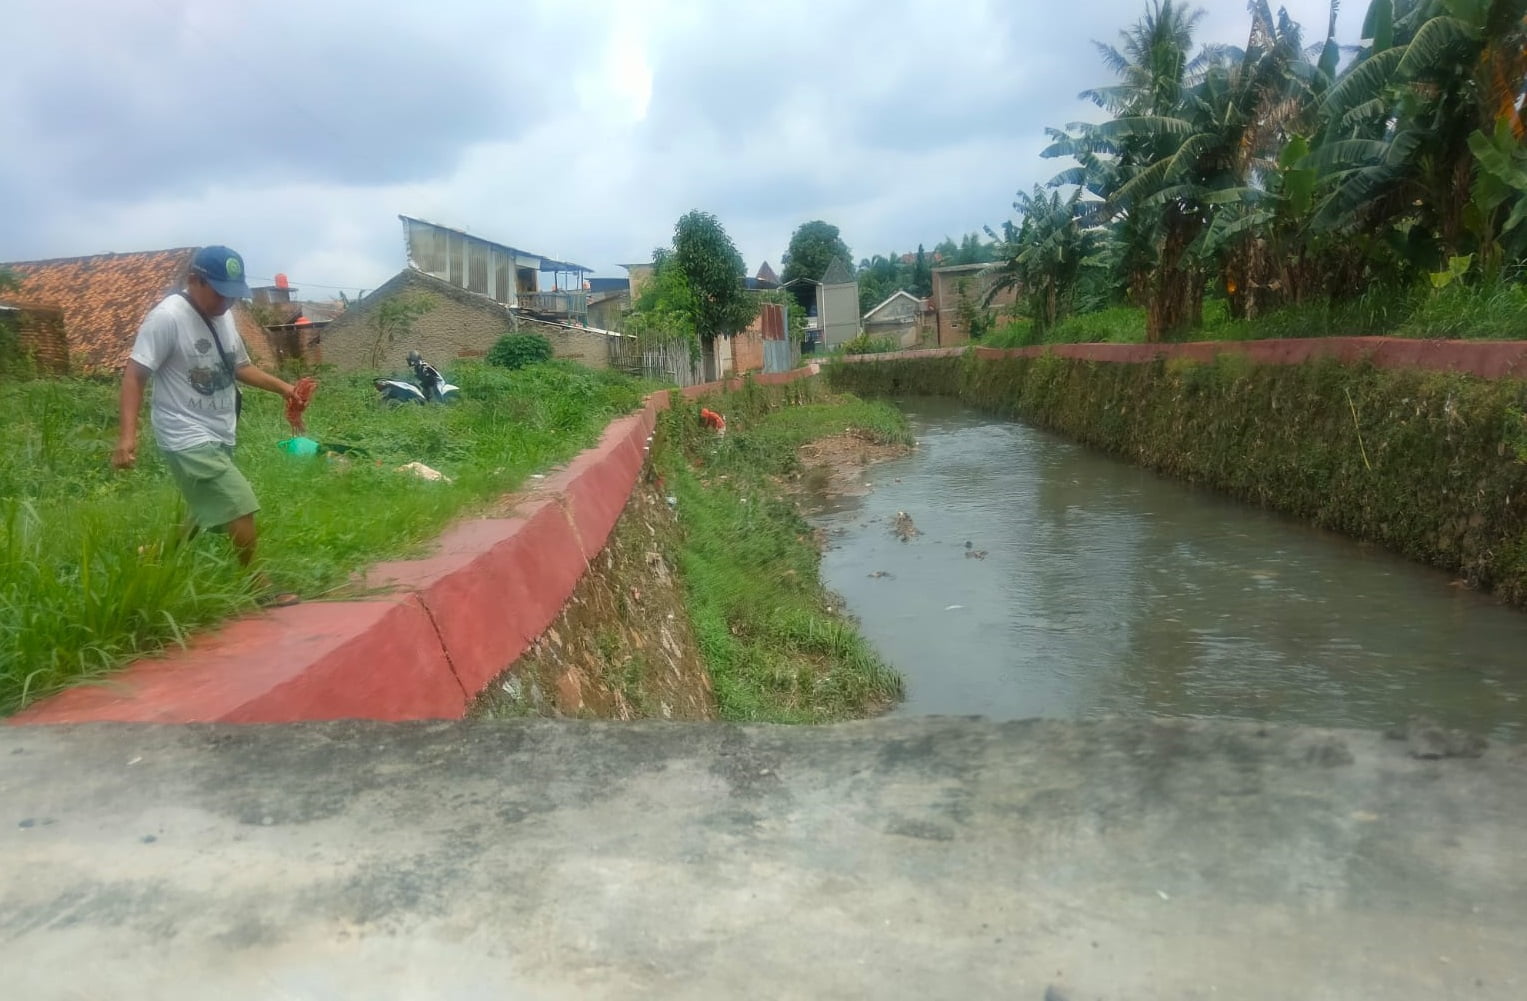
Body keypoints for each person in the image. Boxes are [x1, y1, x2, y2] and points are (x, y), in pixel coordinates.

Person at [112, 245, 300, 606]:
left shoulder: (225, 315)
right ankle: (255, 585)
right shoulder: (167, 318)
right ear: (194, 280)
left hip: (219, 430)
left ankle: (153, 555)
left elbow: (238, 367)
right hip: (184, 432)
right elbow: (134, 375)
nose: (226, 303)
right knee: (238, 503)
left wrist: (283, 389)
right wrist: (127, 437)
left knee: (201, 511)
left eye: (233, 295)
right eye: (220, 293)